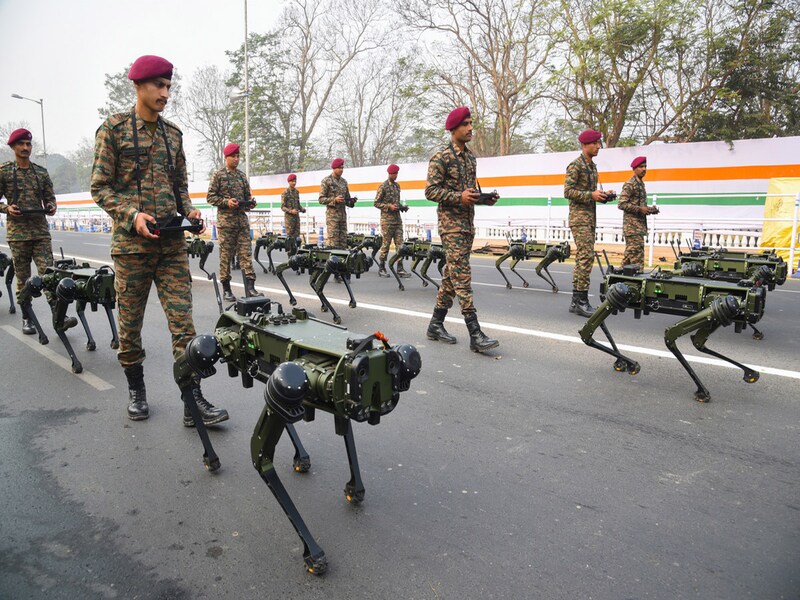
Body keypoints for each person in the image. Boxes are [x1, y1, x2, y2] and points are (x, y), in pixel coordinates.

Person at [91, 54, 228, 426]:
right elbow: (99, 188)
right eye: (158, 85)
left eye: (168, 86)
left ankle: (192, 400)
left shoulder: (173, 135)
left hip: (171, 247)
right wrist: (131, 215)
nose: (165, 92)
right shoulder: (113, 130)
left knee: (184, 326)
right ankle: (136, 390)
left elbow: (180, 188)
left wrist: (191, 212)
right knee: (129, 327)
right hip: (131, 249)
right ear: (138, 86)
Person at [424, 107, 499, 353]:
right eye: (465, 124)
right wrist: (459, 197)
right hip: (451, 227)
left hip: (467, 225)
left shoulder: (471, 158)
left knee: (451, 276)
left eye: (471, 123)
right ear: (453, 128)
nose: (470, 128)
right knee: (462, 277)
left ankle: (435, 325)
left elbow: (468, 194)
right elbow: (430, 191)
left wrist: (483, 199)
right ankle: (475, 333)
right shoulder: (441, 157)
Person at [0, 129, 77, 334]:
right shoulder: (4, 171)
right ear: (13, 147)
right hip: (18, 235)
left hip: (40, 233)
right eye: (21, 144)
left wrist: (51, 206)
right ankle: (27, 318)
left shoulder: (41, 172)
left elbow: (50, 197)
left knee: (49, 275)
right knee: (24, 278)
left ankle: (59, 317)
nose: (26, 148)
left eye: (28, 144)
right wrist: (7, 208)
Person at [564, 129, 613, 317]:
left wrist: (602, 196)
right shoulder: (575, 165)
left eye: (599, 143)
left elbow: (589, 193)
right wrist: (590, 195)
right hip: (580, 218)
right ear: (585, 145)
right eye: (595, 143)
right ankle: (581, 301)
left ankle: (576, 301)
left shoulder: (592, 166)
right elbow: (568, 191)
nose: (598, 146)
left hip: (589, 217)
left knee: (583, 258)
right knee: (586, 257)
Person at [207, 143, 263, 303]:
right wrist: (226, 202)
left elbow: (247, 196)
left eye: (238, 156)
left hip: (241, 223)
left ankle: (250, 288)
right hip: (226, 224)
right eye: (233, 156)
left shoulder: (242, 176)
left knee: (246, 255)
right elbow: (210, 197)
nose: (236, 159)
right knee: (226, 256)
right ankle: (226, 289)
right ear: (226, 157)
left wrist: (250, 204)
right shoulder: (218, 175)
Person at [618, 156, 657, 269]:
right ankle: (637, 278)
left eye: (645, 166)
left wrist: (649, 209)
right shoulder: (630, 184)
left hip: (639, 227)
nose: (644, 169)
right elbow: (621, 204)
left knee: (629, 259)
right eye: (641, 167)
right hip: (632, 227)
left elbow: (639, 206)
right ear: (634, 169)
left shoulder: (640, 184)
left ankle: (616, 276)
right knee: (637, 260)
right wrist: (640, 209)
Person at [374, 163, 409, 278]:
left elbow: (396, 202)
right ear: (390, 174)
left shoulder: (397, 186)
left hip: (397, 220)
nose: (396, 175)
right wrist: (389, 206)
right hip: (387, 221)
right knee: (386, 245)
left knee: (400, 245)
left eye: (397, 173)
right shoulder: (383, 186)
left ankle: (400, 268)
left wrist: (402, 207)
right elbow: (376, 203)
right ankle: (382, 267)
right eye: (394, 174)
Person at [318, 158, 352, 250]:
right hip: (332, 218)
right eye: (339, 168)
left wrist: (351, 202)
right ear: (334, 168)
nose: (341, 170)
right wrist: (334, 200)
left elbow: (347, 198)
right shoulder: (327, 181)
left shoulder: (344, 182)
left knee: (343, 244)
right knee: (333, 245)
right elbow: (321, 199)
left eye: (342, 168)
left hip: (342, 218)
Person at [281, 173, 305, 240]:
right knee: (290, 238)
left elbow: (298, 204)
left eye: (295, 181)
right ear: (289, 182)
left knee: (297, 237)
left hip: (296, 218)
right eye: (292, 181)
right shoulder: (285, 193)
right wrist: (291, 211)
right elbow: (282, 207)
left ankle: (296, 247)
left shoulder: (296, 192)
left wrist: (302, 209)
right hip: (289, 220)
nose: (294, 183)